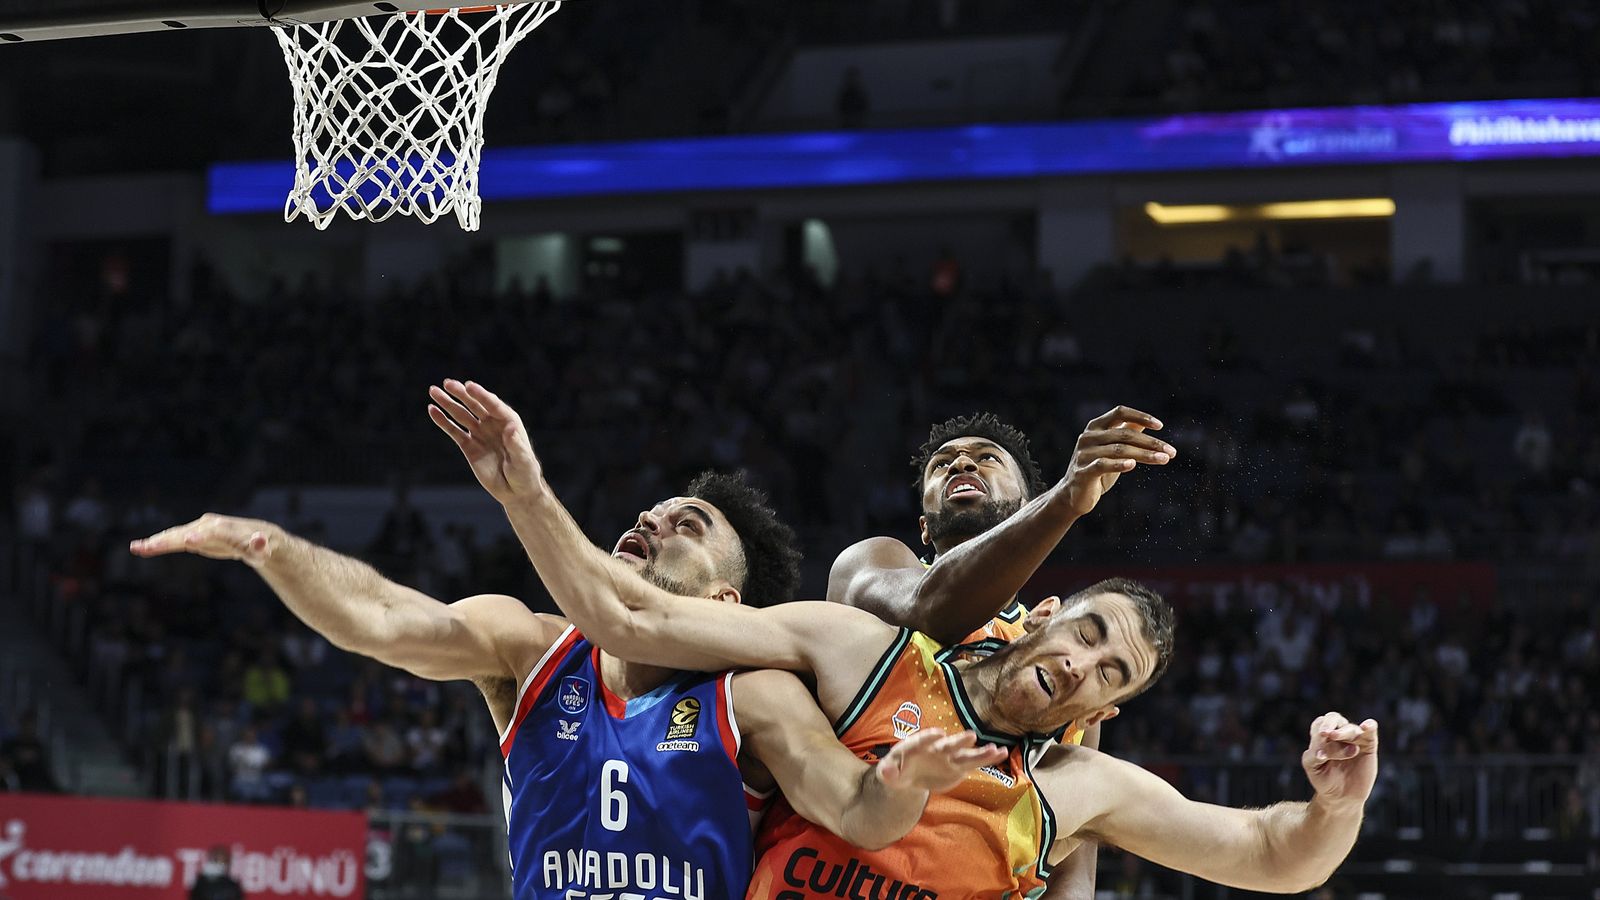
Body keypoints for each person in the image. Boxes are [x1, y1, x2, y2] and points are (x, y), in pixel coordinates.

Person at [435, 379, 1379, 898]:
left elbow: (1263, 854)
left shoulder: (1075, 759)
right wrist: (523, 492)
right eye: (945, 464)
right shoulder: (869, 611)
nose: (1083, 661)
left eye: (1109, 671)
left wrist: (1334, 807)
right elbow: (923, 605)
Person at [132, 466, 1002, 900]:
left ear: (725, 599)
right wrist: (273, 549)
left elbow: (858, 813)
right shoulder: (532, 649)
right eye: (649, 514)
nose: (649, 522)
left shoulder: (754, 698)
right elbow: (385, 623)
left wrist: (903, 782)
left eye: (687, 527)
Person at [828, 409, 1176, 897]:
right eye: (943, 463)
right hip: (834, 870)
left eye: (987, 458)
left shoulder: (1062, 653)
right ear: (925, 528)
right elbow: (930, 607)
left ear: (1024, 507)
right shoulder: (873, 563)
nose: (961, 465)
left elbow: (1074, 855)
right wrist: (1066, 499)